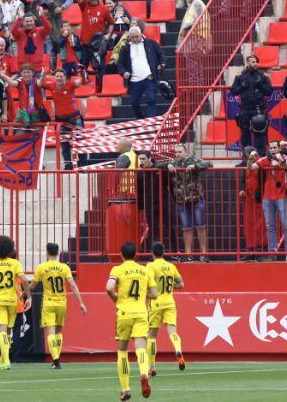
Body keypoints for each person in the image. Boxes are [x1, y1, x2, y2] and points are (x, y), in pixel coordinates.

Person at [106, 242, 156, 401]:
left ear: (121, 254)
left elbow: (109, 287)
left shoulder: (117, 269)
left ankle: (126, 389)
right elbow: (155, 294)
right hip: (141, 313)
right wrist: (143, 294)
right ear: (136, 255)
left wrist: (116, 297)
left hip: (124, 313)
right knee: (141, 348)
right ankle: (143, 373)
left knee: (122, 351)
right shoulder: (144, 270)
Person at [29, 243, 88, 370]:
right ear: (58, 253)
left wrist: (24, 293)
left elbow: (32, 286)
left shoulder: (41, 267)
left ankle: (56, 360)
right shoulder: (64, 267)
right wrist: (81, 302)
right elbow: (72, 285)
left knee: (50, 332)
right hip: (62, 303)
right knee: (59, 331)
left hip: (49, 303)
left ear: (47, 252)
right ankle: (57, 359)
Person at [0, 235, 33, 371]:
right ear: (9, 248)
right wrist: (29, 297)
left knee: (1, 331)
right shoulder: (15, 263)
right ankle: (3, 358)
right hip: (12, 301)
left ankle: (6, 360)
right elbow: (25, 280)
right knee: (8, 331)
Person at [158, 144, 213, 257]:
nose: (178, 154)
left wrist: (195, 166)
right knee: (186, 228)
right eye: (176, 152)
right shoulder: (173, 163)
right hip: (181, 200)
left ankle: (204, 253)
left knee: (200, 226)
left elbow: (209, 164)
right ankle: (188, 254)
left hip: (196, 198)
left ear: (185, 151)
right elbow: (158, 164)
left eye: (180, 151)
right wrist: (168, 164)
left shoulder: (192, 160)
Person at [248, 140, 287, 260]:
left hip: (282, 196)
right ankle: (272, 252)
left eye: (275, 148)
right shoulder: (265, 159)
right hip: (267, 197)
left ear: (279, 148)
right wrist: (250, 158)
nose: (273, 150)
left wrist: (281, 160)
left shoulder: (285, 157)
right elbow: (251, 168)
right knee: (269, 225)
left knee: (286, 225)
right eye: (271, 148)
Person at [145, 242, 186, 376]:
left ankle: (152, 367)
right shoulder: (171, 266)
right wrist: (169, 286)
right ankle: (178, 350)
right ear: (163, 252)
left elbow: (146, 282)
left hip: (156, 302)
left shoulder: (150, 266)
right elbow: (181, 284)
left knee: (151, 336)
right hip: (169, 302)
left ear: (152, 253)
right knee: (172, 331)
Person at [41, 67, 86, 168]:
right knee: (64, 144)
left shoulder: (70, 84)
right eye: (57, 76)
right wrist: (43, 75)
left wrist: (82, 74)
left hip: (74, 117)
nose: (59, 78)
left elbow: (80, 81)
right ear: (54, 77)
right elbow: (41, 84)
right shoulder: (51, 85)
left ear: (65, 77)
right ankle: (68, 166)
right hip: (60, 120)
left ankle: (83, 165)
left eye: (61, 76)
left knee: (80, 142)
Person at [230, 55, 274, 159]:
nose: (255, 64)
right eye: (253, 62)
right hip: (244, 109)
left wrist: (261, 85)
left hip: (258, 109)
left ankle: (261, 158)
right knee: (245, 136)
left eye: (256, 62)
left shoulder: (262, 76)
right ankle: (246, 159)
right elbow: (233, 91)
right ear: (247, 63)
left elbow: (269, 91)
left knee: (260, 135)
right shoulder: (240, 76)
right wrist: (242, 86)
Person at [117, 26, 165, 119]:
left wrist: (162, 64)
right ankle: (141, 120)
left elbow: (161, 54)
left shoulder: (151, 43)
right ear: (129, 37)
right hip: (134, 80)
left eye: (136, 37)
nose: (134, 39)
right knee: (134, 103)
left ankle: (151, 121)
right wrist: (124, 72)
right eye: (132, 37)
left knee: (151, 99)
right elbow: (120, 63)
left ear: (141, 35)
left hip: (149, 78)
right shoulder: (126, 48)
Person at [32, 0, 74, 70]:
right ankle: (49, 69)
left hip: (56, 18)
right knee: (48, 44)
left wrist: (62, 7)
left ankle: (59, 69)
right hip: (45, 19)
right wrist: (39, 10)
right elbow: (35, 0)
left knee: (57, 43)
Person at [75, 0, 114, 92]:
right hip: (86, 44)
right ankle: (83, 91)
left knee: (100, 69)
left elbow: (111, 23)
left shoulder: (104, 9)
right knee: (82, 68)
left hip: (98, 46)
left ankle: (99, 91)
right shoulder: (85, 4)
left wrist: (109, 35)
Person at [241, 147, 266, 259]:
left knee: (260, 226)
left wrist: (259, 193)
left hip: (258, 198)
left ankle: (260, 250)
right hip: (249, 198)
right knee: (249, 225)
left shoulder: (262, 164)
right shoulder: (248, 164)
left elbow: (263, 180)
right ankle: (250, 250)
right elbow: (244, 179)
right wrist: (243, 190)